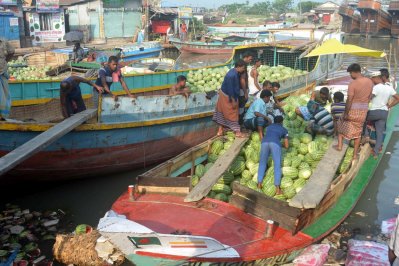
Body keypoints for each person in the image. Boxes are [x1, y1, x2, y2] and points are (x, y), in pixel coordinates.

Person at [335, 63, 373, 159]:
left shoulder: (353, 84)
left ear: (354, 72)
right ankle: (355, 155)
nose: (350, 76)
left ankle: (339, 146)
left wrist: (346, 113)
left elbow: (350, 99)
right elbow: (370, 97)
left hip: (353, 110)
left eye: (350, 73)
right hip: (363, 112)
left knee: (340, 123)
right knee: (358, 133)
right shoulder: (369, 81)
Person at [364, 71, 399, 158]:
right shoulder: (389, 88)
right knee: (380, 133)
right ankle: (376, 153)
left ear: (376, 78)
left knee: (362, 119)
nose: (371, 81)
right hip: (384, 112)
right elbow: (398, 98)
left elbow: (369, 98)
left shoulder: (376, 87)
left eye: (372, 79)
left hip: (374, 112)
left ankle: (366, 135)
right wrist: (389, 106)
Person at [213, 60, 247, 137]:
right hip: (228, 96)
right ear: (238, 67)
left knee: (222, 112)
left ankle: (220, 130)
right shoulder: (231, 75)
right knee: (233, 113)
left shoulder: (234, 72)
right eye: (243, 68)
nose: (243, 69)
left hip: (224, 94)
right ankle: (237, 132)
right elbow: (230, 89)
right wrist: (234, 100)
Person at [257, 115, 289, 195]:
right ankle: (278, 189)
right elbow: (286, 145)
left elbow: (268, 135)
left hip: (264, 142)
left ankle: (259, 184)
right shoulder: (284, 130)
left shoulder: (269, 127)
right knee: (277, 165)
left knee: (262, 163)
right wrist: (280, 144)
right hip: (275, 144)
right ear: (281, 122)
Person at [0, 38, 14, 121]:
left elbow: (11, 52)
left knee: (4, 95)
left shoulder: (4, 41)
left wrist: (5, 61)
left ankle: (3, 115)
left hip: (2, 72)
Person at [238, 52, 253, 124]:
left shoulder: (241, 64)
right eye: (250, 59)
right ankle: (239, 125)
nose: (251, 61)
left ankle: (239, 124)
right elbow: (242, 80)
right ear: (246, 57)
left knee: (241, 108)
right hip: (242, 91)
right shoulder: (243, 66)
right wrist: (245, 92)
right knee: (241, 108)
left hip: (241, 90)